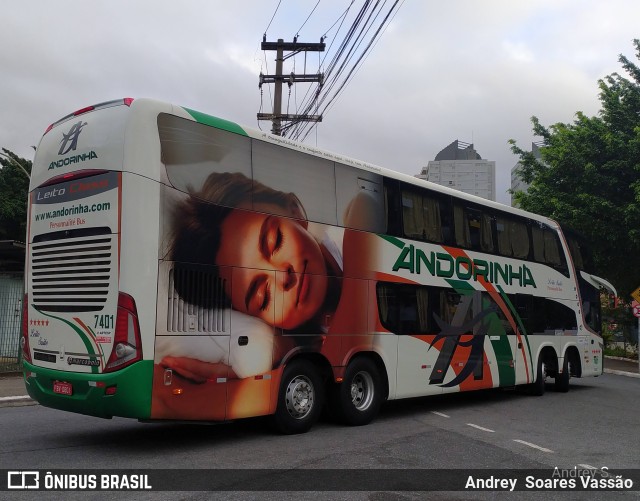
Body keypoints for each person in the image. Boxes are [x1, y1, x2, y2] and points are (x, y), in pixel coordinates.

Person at [152, 171, 381, 419]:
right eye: (262, 296)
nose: (283, 276)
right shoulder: (305, 347)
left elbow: (344, 358)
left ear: (295, 211)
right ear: (259, 319)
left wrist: (214, 396)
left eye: (275, 241)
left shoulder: (362, 218)